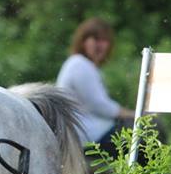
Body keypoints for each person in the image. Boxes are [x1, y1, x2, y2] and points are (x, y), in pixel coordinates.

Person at [55, 18, 136, 163]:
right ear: (83, 41)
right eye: (96, 39)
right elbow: (99, 105)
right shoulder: (79, 65)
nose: (101, 45)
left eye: (104, 40)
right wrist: (133, 115)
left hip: (88, 134)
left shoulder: (82, 65)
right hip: (87, 136)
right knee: (143, 139)